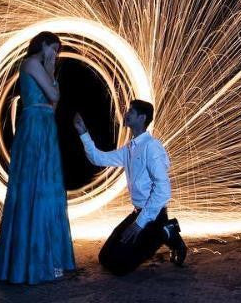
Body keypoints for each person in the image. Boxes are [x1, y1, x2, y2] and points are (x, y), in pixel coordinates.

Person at [0, 31, 76, 284]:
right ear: (44, 44)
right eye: (54, 48)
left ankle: (53, 262)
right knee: (33, 188)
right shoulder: (30, 63)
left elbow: (53, 105)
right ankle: (29, 263)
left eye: (58, 51)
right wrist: (50, 67)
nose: (56, 54)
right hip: (35, 127)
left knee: (48, 189)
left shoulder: (41, 67)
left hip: (45, 126)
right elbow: (54, 97)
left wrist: (50, 72)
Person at [73, 100, 187, 275]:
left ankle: (165, 232)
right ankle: (160, 231)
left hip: (153, 215)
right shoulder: (130, 148)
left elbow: (163, 189)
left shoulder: (151, 147)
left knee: (119, 267)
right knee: (105, 258)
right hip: (138, 213)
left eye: (131, 112)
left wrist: (140, 224)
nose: (126, 114)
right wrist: (83, 133)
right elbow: (99, 159)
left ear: (142, 118)